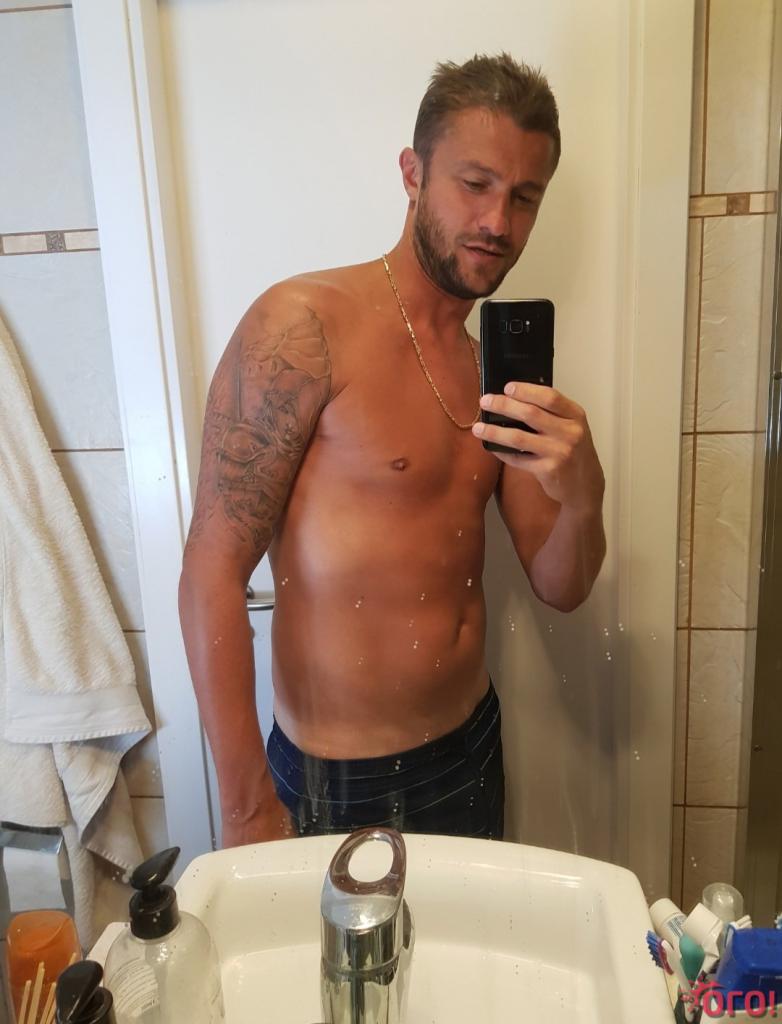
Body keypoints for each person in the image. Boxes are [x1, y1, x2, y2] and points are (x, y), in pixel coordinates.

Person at [178, 52, 606, 849]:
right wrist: (243, 809)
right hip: (339, 780)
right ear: (413, 174)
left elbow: (563, 587)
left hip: (471, 749)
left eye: (524, 197)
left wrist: (584, 492)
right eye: (474, 184)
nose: (498, 222)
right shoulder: (303, 326)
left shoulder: (493, 374)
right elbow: (211, 569)